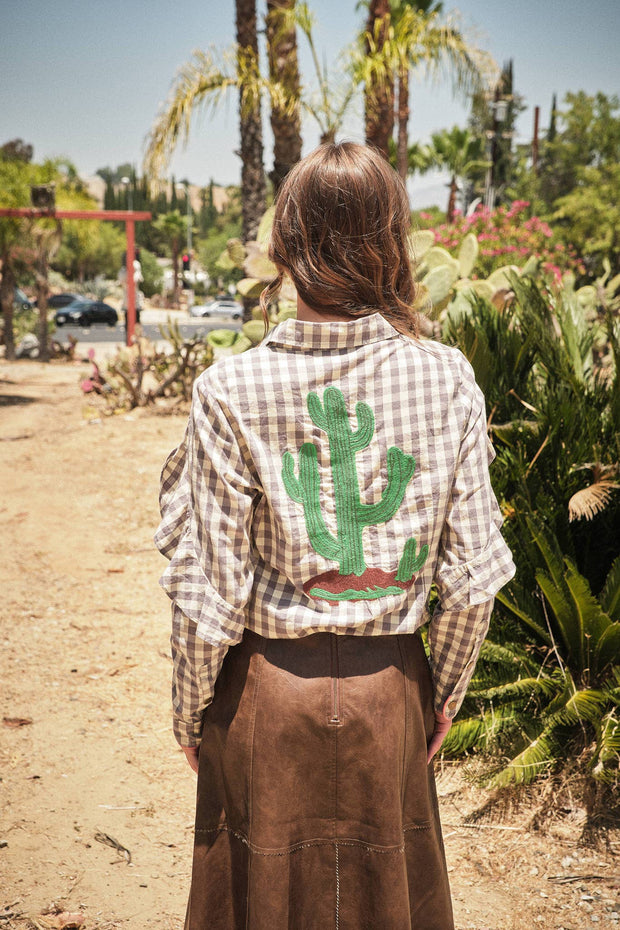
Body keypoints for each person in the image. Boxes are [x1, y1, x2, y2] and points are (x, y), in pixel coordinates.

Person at [155, 142, 515, 930]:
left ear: (285, 246)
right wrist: (441, 697)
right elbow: (471, 581)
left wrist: (190, 711)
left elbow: (209, 594)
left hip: (263, 701)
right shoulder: (446, 376)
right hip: (392, 694)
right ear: (393, 243)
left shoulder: (228, 389)